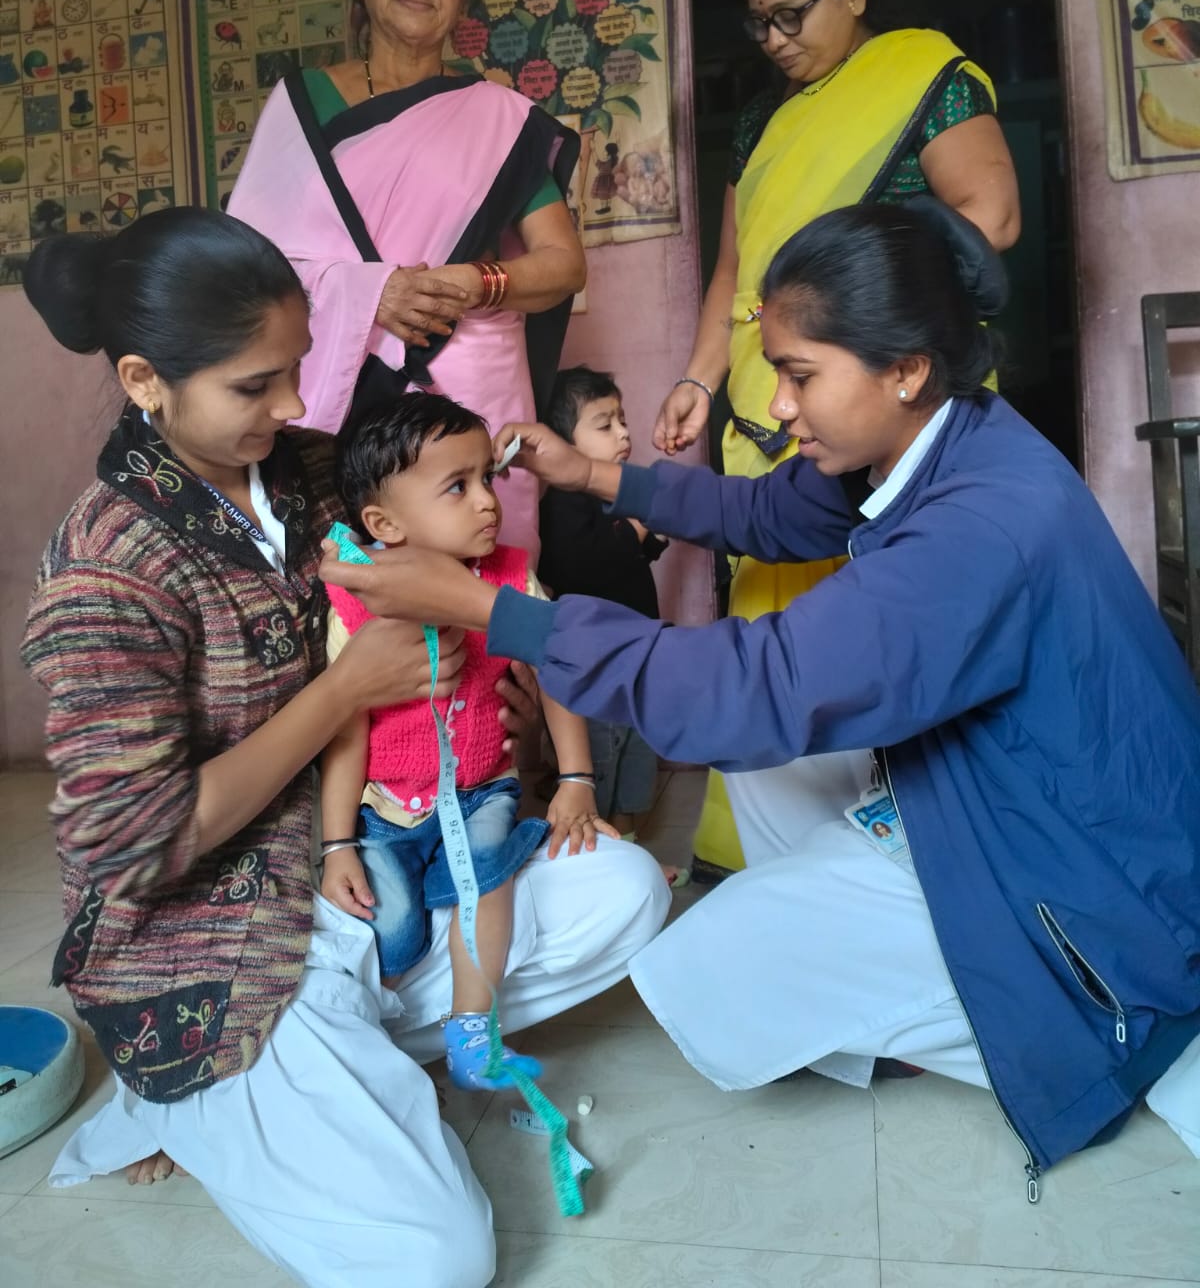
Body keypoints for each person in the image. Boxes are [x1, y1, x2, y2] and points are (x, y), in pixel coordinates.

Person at [322, 198, 1200, 1191]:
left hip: (1098, 884)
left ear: (904, 367)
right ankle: (875, 926)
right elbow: (769, 510)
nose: (778, 405)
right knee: (775, 773)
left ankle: (1068, 1028)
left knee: (709, 964)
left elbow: (755, 685)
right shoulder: (945, 435)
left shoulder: (980, 524)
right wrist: (597, 475)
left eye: (799, 375)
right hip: (1032, 794)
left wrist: (491, 609)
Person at [19, 208, 669, 1287]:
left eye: (297, 369)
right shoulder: (102, 570)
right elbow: (136, 844)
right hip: (217, 945)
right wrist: (343, 694)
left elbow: (469, 585)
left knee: (624, 890)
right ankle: (210, 1086)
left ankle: (342, 1067)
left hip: (375, 858)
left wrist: (499, 718)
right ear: (145, 380)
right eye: (254, 386)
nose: (293, 405)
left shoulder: (315, 473)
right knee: (437, 1259)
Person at [652, 0, 1022, 882]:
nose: (775, 41)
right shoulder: (761, 119)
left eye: (793, 15)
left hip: (872, 400)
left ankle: (890, 853)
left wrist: (871, 331)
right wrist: (697, 379)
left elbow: (991, 216)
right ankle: (764, 855)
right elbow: (736, 269)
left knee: (872, 623)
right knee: (765, 618)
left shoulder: (926, 79)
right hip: (762, 398)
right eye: (758, 23)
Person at [229, 0, 587, 557]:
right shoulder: (302, 104)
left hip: (470, 381)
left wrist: (473, 283)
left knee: (488, 584)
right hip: (332, 389)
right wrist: (372, 295)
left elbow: (562, 264)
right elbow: (245, 268)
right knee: (353, 582)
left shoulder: (497, 119)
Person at [321, 393, 618, 1090]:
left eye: (489, 477)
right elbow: (343, 731)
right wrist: (337, 846)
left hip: (482, 787)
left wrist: (575, 779)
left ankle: (471, 1033)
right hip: (385, 807)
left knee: (486, 881)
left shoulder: (512, 578)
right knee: (387, 932)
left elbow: (557, 674)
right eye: (457, 487)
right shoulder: (356, 601)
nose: (488, 502)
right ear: (383, 524)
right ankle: (366, 1041)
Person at [540, 367, 670, 844]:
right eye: (604, 424)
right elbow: (580, 570)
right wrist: (634, 533)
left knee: (640, 748)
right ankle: (605, 844)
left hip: (639, 646)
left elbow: (632, 560)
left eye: (622, 420)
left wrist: (650, 538)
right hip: (596, 657)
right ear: (561, 442)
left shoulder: (616, 489)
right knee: (604, 750)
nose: (623, 433)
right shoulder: (563, 504)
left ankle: (633, 841)